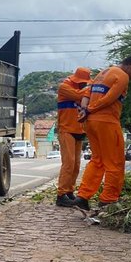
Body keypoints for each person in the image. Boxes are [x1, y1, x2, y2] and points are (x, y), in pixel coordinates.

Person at [72, 56, 131, 210]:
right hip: (107, 122)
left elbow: (86, 95)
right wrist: (91, 109)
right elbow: (110, 98)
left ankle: (83, 197)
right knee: (115, 162)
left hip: (90, 123)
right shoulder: (123, 75)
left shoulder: (102, 73)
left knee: (97, 161)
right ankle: (108, 200)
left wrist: (84, 110)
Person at [54, 67, 92, 207]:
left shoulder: (85, 87)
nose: (84, 84)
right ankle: (61, 194)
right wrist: (90, 88)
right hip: (66, 129)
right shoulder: (64, 87)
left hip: (79, 130)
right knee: (68, 162)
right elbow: (79, 96)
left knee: (76, 164)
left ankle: (69, 191)